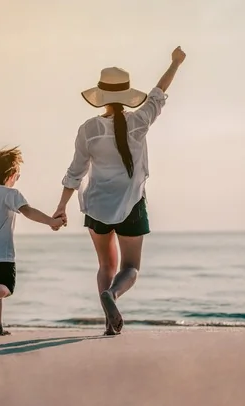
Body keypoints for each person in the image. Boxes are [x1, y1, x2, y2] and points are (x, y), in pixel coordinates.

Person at [52, 47, 187, 335]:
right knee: (130, 267)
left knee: (105, 265)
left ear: (101, 95)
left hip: (97, 205)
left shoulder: (88, 129)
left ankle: (108, 322)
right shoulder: (139, 121)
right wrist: (175, 62)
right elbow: (158, 92)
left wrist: (61, 206)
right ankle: (112, 296)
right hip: (132, 203)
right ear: (126, 95)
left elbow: (76, 172)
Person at [0, 147, 66, 336]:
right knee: (7, 288)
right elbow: (28, 211)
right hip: (2, 253)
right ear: (11, 175)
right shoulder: (10, 193)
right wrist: (51, 221)